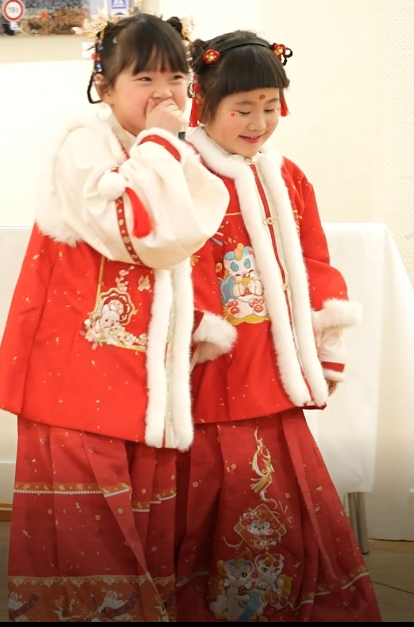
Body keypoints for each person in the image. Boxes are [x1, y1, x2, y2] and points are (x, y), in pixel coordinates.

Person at [0, 12, 234, 623]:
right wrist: (159, 145)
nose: (164, 94)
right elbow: (139, 233)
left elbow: (197, 219)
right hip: (76, 363)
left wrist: (162, 146)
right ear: (105, 85)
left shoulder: (167, 146)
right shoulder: (82, 144)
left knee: (143, 517)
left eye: (176, 78)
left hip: (142, 367)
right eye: (144, 78)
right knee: (92, 521)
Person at [175, 30, 382, 622]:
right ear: (203, 101)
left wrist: (326, 333)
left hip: (272, 360)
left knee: (278, 487)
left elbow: (314, 257)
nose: (258, 123)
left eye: (269, 107)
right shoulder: (182, 171)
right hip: (212, 363)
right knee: (213, 481)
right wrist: (200, 328)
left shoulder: (286, 175)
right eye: (243, 108)